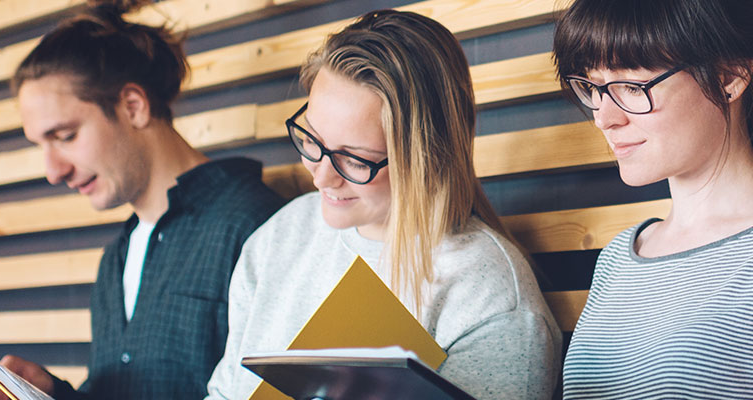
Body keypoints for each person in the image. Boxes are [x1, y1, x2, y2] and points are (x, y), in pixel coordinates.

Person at [201, 10, 561, 400]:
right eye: (311, 140)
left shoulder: (486, 293)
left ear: (427, 158)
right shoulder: (280, 235)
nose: (321, 178)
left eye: (354, 160)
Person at [0, 1, 289, 399]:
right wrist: (52, 394)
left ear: (133, 106)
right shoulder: (116, 260)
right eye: (42, 144)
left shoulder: (257, 228)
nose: (53, 171)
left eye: (66, 136)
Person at [551, 0, 753, 398]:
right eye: (592, 88)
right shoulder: (616, 261)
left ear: (729, 75)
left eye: (631, 86)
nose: (604, 117)